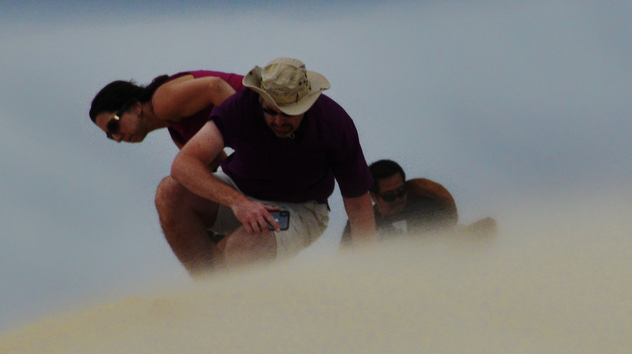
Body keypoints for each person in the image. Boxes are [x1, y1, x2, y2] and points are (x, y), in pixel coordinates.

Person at [159, 58, 375, 273]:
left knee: (243, 248)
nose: (279, 121)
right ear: (261, 99)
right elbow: (183, 164)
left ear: (306, 104)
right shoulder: (241, 104)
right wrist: (238, 203)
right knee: (170, 192)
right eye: (271, 111)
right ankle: (209, 286)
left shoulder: (334, 124)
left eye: (288, 113)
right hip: (238, 193)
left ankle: (228, 295)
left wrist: (365, 270)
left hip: (299, 208)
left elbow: (358, 205)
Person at [340, 160, 494, 243]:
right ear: (374, 196)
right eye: (389, 196)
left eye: (401, 191)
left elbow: (450, 235)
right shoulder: (361, 221)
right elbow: (347, 261)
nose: (398, 199)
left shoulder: (425, 209)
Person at [89, 70, 243, 148]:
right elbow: (218, 166)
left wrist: (254, 139)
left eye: (113, 125)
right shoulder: (178, 132)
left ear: (135, 106)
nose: (117, 138)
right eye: (110, 135)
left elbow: (214, 87)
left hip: (264, 103)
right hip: (262, 125)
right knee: (185, 174)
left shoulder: (162, 103)